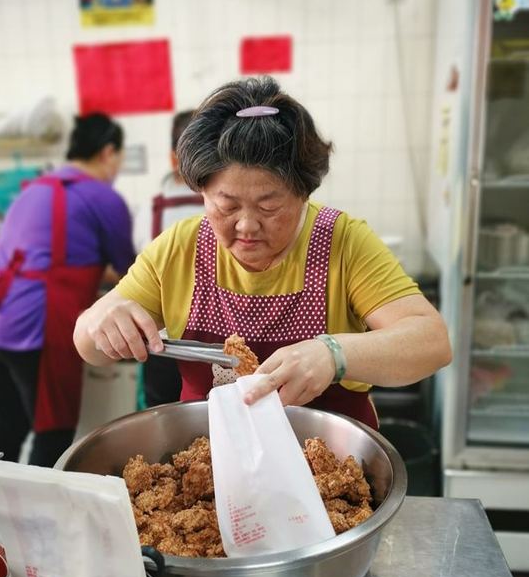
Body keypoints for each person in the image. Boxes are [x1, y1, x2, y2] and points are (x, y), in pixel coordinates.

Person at [74, 78, 452, 428]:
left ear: (305, 193)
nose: (247, 226)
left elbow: (430, 341)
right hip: (209, 459)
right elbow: (88, 345)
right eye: (227, 206)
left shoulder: (344, 243)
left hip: (332, 463)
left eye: (269, 207)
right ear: (202, 193)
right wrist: (102, 322)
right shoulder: (180, 248)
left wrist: (333, 354)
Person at [0, 113, 135, 465]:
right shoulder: (102, 197)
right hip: (32, 322)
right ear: (107, 153)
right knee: (53, 430)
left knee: (4, 427)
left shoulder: (36, 187)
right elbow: (132, 272)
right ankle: (36, 516)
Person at [132, 110, 202, 408]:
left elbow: (136, 262)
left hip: (163, 341)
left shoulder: (152, 210)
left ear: (174, 158)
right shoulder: (238, 205)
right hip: (211, 345)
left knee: (163, 422)